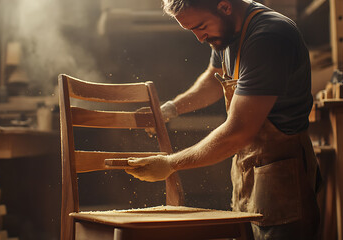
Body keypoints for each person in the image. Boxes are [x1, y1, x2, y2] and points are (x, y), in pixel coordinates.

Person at [126, 0, 321, 239]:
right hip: (248, 171)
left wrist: (170, 164)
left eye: (201, 26)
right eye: (193, 31)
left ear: (225, 6)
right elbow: (213, 79)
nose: (199, 38)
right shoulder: (225, 33)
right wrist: (171, 108)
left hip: (282, 176)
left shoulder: (268, 38)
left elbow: (238, 132)